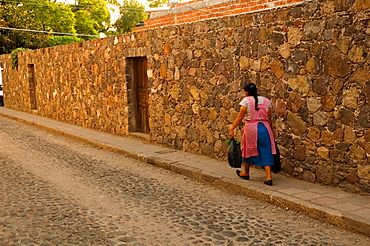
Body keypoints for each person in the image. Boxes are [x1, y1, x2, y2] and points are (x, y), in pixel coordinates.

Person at [229, 83, 276, 186]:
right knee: (266, 150)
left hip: (251, 128)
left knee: (248, 149)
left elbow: (240, 117)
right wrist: (271, 131)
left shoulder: (246, 101)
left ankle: (246, 172)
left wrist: (232, 128)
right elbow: (269, 118)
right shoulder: (266, 101)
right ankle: (268, 176)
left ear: (246, 92)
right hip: (265, 127)